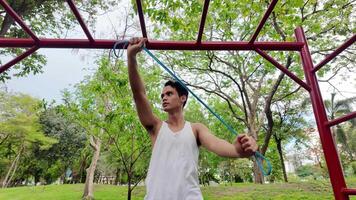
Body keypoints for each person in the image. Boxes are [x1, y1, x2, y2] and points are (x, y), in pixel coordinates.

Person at [127, 37, 258, 200]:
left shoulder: (196, 129)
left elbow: (217, 144)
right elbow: (139, 94)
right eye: (162, 95)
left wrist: (240, 150)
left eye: (169, 94)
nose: (164, 98)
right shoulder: (156, 127)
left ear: (182, 98)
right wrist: (131, 58)